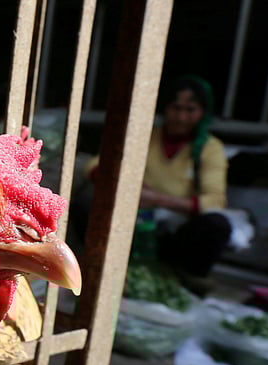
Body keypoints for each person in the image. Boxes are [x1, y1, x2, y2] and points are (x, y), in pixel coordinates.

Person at [72, 75, 232, 281]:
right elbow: (94, 166)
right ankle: (105, 268)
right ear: (165, 108)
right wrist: (128, 187)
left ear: (203, 112)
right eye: (176, 107)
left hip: (176, 232)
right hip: (132, 223)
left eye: (190, 110)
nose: (181, 117)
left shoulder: (210, 148)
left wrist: (156, 199)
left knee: (216, 225)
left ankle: (186, 279)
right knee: (85, 204)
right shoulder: (145, 137)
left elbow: (215, 200)